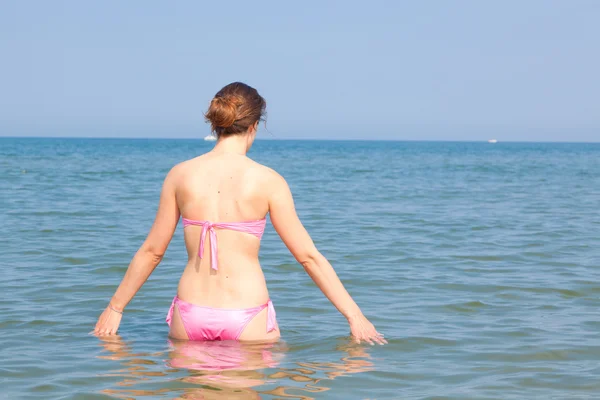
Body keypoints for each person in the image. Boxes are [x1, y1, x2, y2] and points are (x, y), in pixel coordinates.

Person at [94, 82, 386, 345]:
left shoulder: (180, 175)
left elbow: (152, 252)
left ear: (217, 124)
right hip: (247, 316)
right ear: (254, 125)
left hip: (190, 314)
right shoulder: (268, 180)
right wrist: (355, 316)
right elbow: (308, 257)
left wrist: (114, 308)